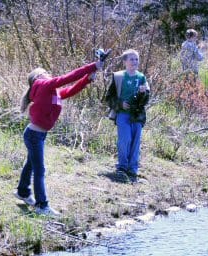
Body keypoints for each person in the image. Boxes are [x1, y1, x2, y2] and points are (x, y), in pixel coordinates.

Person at [15, 59, 104, 216]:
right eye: (44, 72)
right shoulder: (43, 84)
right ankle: (42, 205)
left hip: (36, 135)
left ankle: (22, 192)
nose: (48, 73)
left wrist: (87, 79)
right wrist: (93, 66)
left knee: (31, 164)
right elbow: (68, 77)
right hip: (34, 135)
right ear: (39, 76)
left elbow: (69, 91)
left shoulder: (50, 91)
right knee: (39, 170)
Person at [111, 49, 149, 183]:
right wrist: (121, 104)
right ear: (124, 61)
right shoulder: (118, 76)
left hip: (137, 115)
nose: (134, 62)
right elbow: (109, 97)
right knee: (124, 140)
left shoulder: (142, 77)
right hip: (123, 115)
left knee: (135, 142)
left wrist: (143, 93)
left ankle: (133, 169)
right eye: (131, 59)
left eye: (136, 59)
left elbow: (145, 100)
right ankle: (122, 167)